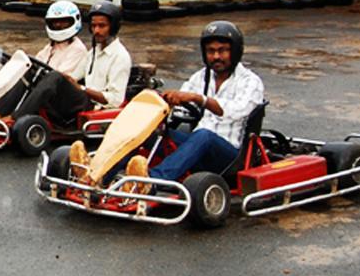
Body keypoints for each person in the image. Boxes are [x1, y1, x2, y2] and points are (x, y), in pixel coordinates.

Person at [70, 20, 262, 188]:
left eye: (223, 51)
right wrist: (166, 103)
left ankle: (151, 181)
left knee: (204, 136)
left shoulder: (250, 81)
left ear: (235, 51)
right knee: (149, 132)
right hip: (197, 145)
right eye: (211, 51)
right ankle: (98, 174)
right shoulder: (201, 77)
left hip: (229, 155)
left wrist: (198, 99)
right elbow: (182, 103)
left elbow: (235, 111)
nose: (216, 57)